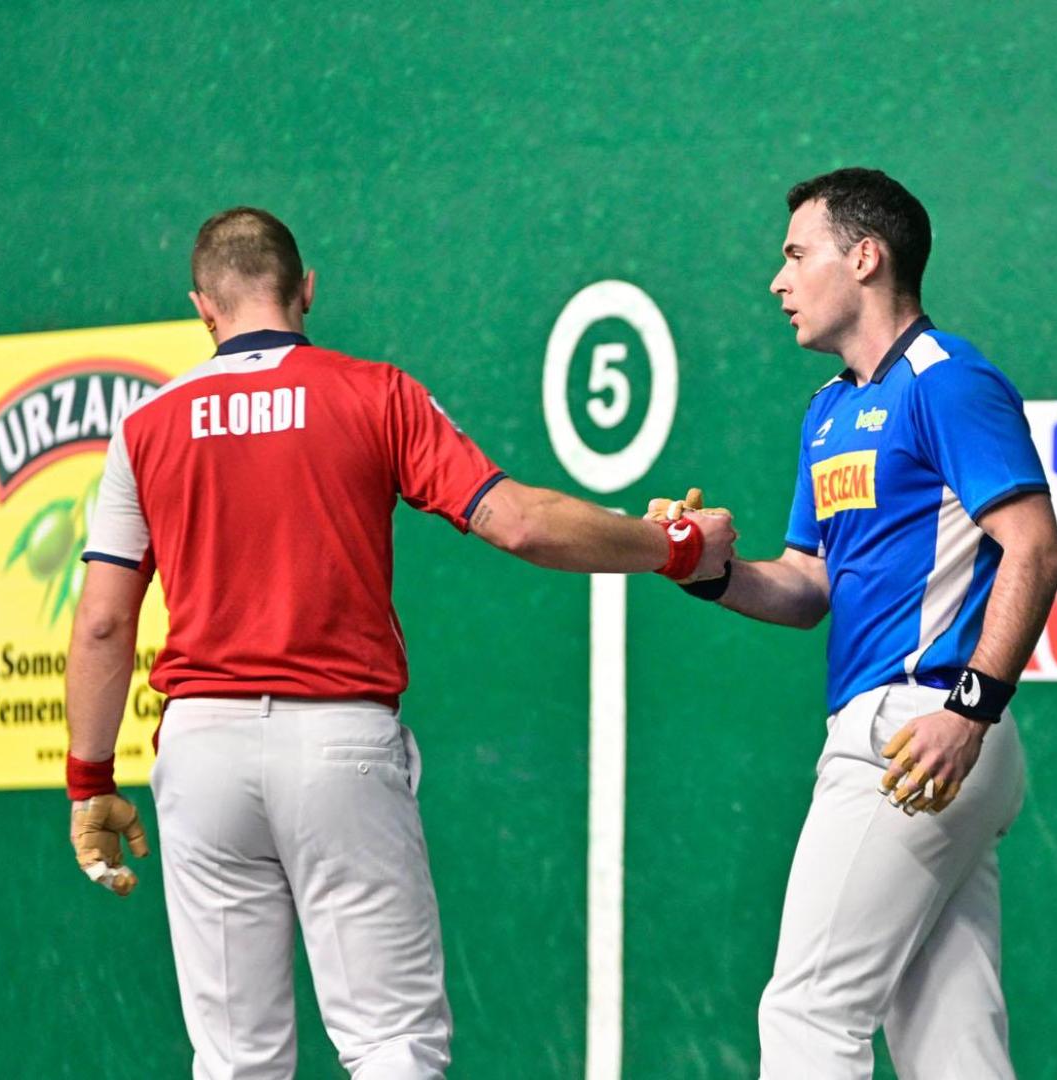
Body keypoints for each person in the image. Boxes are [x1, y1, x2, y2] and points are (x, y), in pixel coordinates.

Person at [60, 206, 733, 1080]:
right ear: (306, 289)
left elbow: (105, 620)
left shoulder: (146, 429)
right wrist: (675, 548)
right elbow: (520, 524)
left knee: (234, 1060)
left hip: (203, 750)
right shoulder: (375, 393)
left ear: (202, 308)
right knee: (391, 1047)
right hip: (338, 743)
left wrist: (89, 784)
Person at [649, 168, 1057, 1078]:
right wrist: (700, 565)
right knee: (951, 1042)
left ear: (866, 257)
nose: (778, 280)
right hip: (915, 736)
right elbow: (806, 586)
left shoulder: (949, 382)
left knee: (809, 1013)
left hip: (917, 729)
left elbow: (1035, 550)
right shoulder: (829, 412)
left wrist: (968, 709)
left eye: (797, 254)